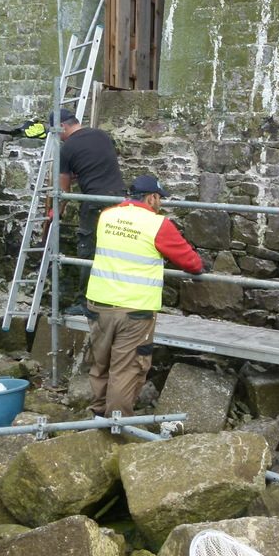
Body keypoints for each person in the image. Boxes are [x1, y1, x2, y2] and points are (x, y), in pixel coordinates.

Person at [84, 174, 203, 417]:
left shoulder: (107, 216)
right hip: (134, 310)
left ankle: (97, 413)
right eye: (159, 199)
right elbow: (191, 262)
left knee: (101, 362)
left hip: (98, 303)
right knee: (126, 369)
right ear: (151, 197)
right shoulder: (157, 224)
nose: (160, 204)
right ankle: (115, 426)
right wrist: (200, 266)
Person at [44, 108, 126, 316]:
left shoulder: (67, 148)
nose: (56, 137)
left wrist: (56, 213)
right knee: (115, 250)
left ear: (62, 126)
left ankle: (86, 304)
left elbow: (62, 191)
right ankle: (115, 299)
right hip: (120, 200)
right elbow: (98, 164)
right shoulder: (101, 135)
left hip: (95, 202)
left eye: (55, 132)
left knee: (88, 251)